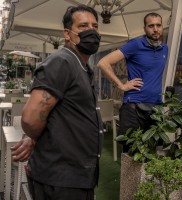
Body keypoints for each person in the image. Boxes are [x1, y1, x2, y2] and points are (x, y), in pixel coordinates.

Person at [20, 5, 103, 200]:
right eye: (83, 26)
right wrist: (33, 136)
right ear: (68, 33)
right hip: (60, 179)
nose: (91, 31)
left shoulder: (81, 66)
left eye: (95, 26)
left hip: (76, 177)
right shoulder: (62, 62)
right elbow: (31, 119)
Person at [97, 12, 168, 151]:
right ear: (144, 28)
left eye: (158, 25)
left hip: (155, 107)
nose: (155, 29)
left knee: (151, 153)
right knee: (131, 155)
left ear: (162, 27)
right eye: (151, 26)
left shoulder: (164, 48)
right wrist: (121, 85)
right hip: (133, 107)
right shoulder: (135, 44)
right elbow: (103, 63)